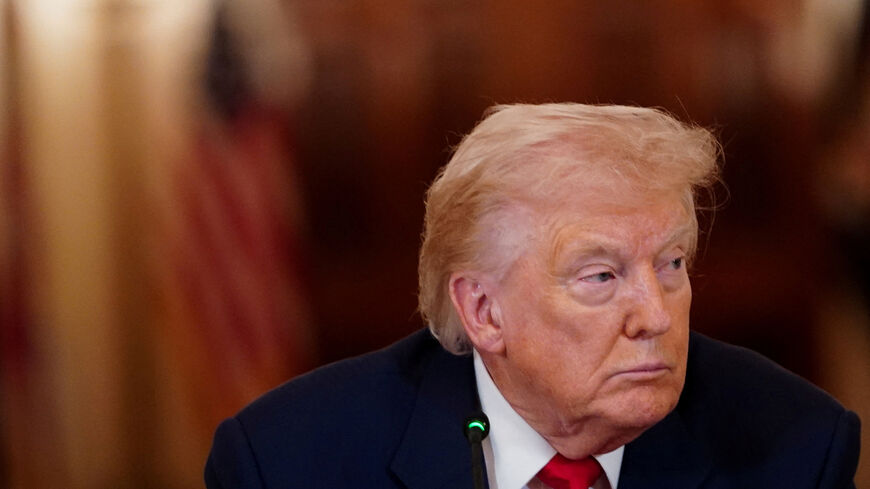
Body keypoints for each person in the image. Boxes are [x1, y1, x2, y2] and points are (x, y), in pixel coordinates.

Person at [205, 103, 861, 489]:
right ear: (484, 310)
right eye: (600, 277)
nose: (657, 315)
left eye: (671, 264)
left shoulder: (797, 447)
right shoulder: (289, 461)